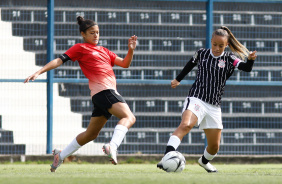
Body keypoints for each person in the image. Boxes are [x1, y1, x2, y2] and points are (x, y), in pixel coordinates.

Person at [24, 16, 137, 172]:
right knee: (129, 117)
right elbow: (59, 60)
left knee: (91, 134)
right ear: (83, 34)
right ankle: (113, 146)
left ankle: (61, 155)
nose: (96, 35)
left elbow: (125, 64)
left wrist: (130, 50)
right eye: (92, 33)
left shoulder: (104, 50)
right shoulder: (80, 48)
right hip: (104, 91)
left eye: (97, 32)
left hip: (101, 95)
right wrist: (39, 72)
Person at [157, 26, 257, 172]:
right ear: (211, 41)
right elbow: (190, 65)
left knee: (214, 146)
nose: (217, 48)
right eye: (215, 44)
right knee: (186, 125)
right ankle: (166, 158)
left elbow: (246, 68)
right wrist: (178, 79)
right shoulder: (201, 53)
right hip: (197, 98)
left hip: (214, 105)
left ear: (227, 45)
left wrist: (250, 60)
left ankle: (204, 161)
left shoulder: (230, 59)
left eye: (221, 45)